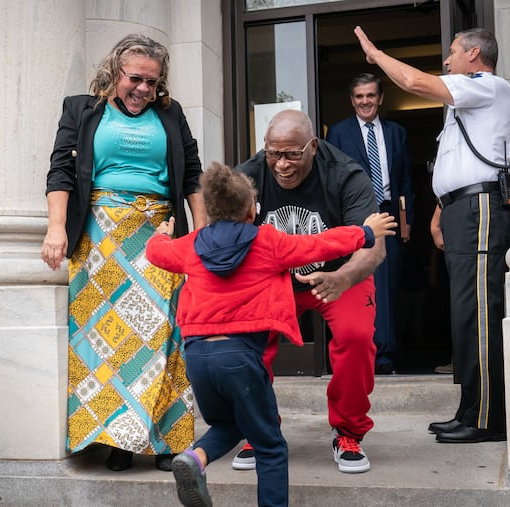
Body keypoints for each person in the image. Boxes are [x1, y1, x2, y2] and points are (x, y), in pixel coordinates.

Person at [146, 162, 396, 507]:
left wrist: (160, 233)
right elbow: (319, 245)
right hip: (239, 359)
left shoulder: (191, 245)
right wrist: (365, 232)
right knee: (271, 448)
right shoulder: (268, 242)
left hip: (198, 358)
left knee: (231, 426)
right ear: (251, 211)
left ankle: (196, 458)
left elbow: (156, 253)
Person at [42, 33, 207, 472]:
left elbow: (192, 175)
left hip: (160, 233)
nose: (143, 90)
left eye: (152, 83)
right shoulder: (82, 109)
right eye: (135, 79)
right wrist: (56, 228)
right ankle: (118, 439)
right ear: (115, 72)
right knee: (108, 342)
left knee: (164, 336)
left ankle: (166, 438)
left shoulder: (170, 115)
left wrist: (202, 237)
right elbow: (60, 169)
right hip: (101, 235)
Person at [355, 26, 510, 443]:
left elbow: (412, 81)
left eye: (452, 53)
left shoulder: (489, 86)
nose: (446, 61)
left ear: (475, 53)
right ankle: (470, 409)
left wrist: (376, 54)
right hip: (462, 209)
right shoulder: (466, 101)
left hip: (482, 208)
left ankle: (487, 419)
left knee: (480, 312)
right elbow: (458, 163)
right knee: (465, 313)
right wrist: (439, 213)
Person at [232, 109, 387, 474]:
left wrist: (343, 279)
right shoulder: (248, 176)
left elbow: (374, 246)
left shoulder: (346, 174)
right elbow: (226, 237)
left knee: (356, 335)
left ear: (313, 147)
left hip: (339, 273)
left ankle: (347, 432)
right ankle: (260, 426)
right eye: (273, 153)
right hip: (274, 276)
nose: (281, 164)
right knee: (243, 342)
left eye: (292, 154)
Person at [326, 73, 414, 375]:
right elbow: (331, 179)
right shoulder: (337, 133)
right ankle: (360, 352)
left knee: (387, 286)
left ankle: (385, 355)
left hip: (388, 214)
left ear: (380, 98)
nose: (365, 101)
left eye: (371, 96)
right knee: (358, 285)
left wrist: (407, 221)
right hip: (355, 217)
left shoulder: (396, 133)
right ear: (352, 100)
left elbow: (404, 180)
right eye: (359, 96)